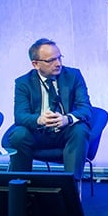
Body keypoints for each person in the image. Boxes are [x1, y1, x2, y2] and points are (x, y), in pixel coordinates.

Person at [8, 38, 92, 183]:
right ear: (35, 64)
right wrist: (39, 119)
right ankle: (20, 186)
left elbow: (85, 108)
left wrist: (67, 119)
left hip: (65, 132)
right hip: (37, 133)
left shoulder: (73, 76)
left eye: (59, 58)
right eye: (51, 60)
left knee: (80, 129)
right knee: (18, 135)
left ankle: (71, 186)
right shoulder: (23, 82)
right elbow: (20, 116)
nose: (58, 63)